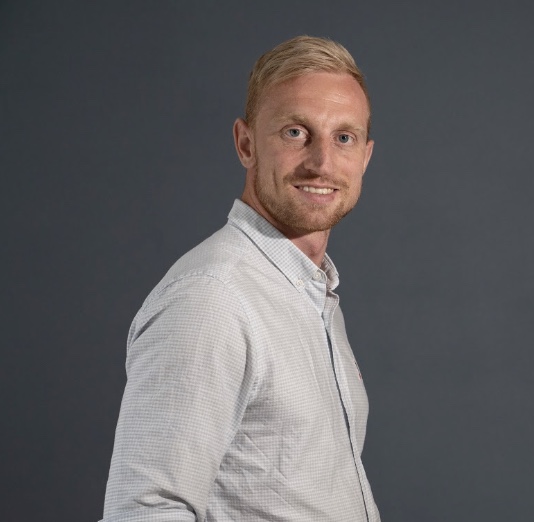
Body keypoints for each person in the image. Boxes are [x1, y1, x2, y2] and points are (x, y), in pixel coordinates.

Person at [101, 35, 380, 521]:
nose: (322, 163)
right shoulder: (212, 300)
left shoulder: (308, 290)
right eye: (295, 132)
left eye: (344, 138)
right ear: (246, 144)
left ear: (365, 157)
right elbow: (144, 510)